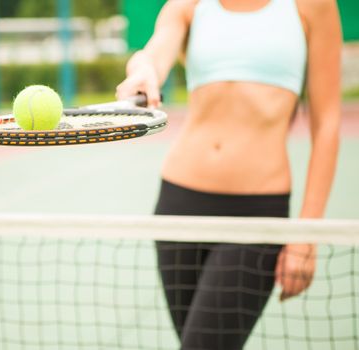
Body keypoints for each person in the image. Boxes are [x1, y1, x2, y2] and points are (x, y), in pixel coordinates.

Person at [116, 0, 342, 349]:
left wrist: (306, 234)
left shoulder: (313, 6)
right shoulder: (189, 4)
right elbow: (153, 53)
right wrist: (142, 70)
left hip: (257, 215)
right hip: (178, 208)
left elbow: (326, 125)